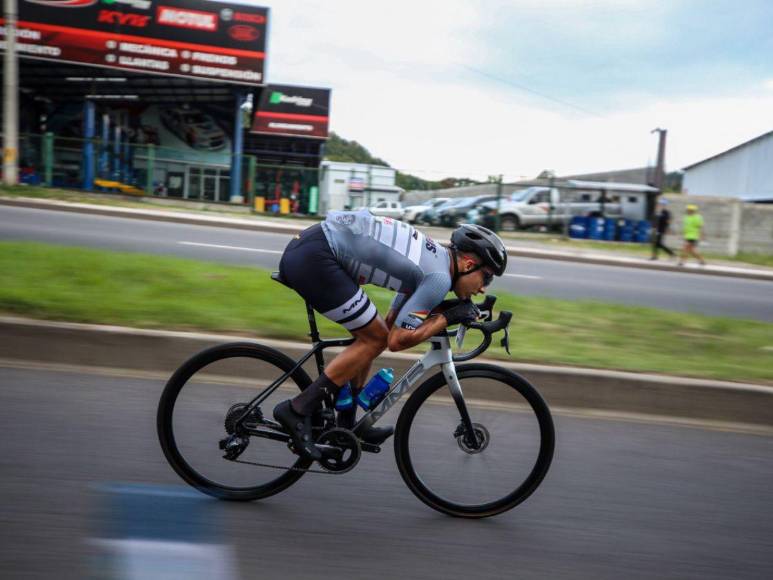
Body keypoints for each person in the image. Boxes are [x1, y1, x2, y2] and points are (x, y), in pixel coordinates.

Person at [273, 209, 507, 460]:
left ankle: (346, 423)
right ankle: (297, 409)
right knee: (373, 339)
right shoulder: (439, 278)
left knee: (372, 332)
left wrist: (449, 310)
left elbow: (395, 320)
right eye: (487, 278)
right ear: (469, 264)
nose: (483, 289)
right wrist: (448, 317)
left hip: (312, 248)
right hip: (316, 257)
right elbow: (396, 341)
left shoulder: (436, 261)